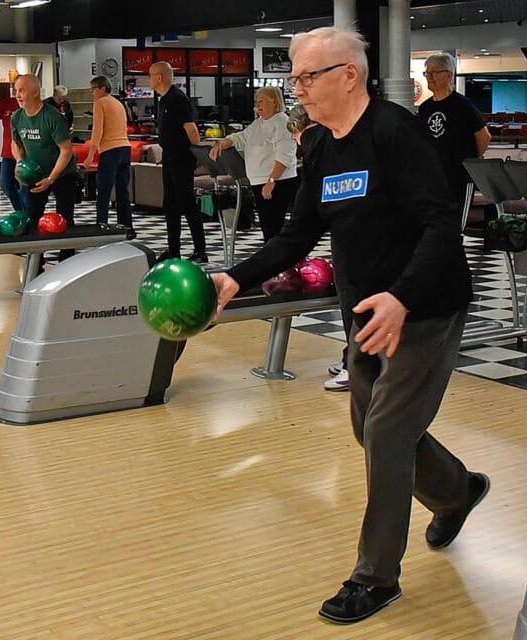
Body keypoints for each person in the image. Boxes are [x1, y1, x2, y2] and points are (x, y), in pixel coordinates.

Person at [210, 26, 489, 625]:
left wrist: (403, 298)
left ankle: (375, 576)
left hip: (424, 307)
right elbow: (298, 233)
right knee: (370, 427)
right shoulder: (320, 146)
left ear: (349, 75)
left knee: (387, 431)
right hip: (363, 309)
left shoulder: (394, 132)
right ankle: (456, 491)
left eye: (308, 77)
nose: (298, 89)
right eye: (294, 78)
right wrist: (235, 277)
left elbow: (441, 224)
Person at [289, 103, 351, 393]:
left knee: (355, 303)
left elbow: (302, 226)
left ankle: (356, 366)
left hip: (361, 243)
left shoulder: (318, 144)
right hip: (349, 237)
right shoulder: (330, 143)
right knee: (352, 303)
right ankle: (353, 359)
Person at [209, 86, 299, 243]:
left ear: (274, 101)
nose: (258, 105)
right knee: (267, 226)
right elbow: (241, 137)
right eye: (257, 101)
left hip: (278, 182)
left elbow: (285, 156)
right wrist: (223, 143)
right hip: (259, 181)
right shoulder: (259, 123)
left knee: (273, 227)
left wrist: (271, 181)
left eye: (262, 101)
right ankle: (270, 255)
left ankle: (276, 257)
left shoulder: (282, 122)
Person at [11, 74, 80, 258]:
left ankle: (67, 261)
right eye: (16, 90)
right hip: (35, 173)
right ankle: (36, 263)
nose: (17, 95)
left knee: (64, 218)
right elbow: (16, 143)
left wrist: (51, 179)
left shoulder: (52, 117)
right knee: (33, 218)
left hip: (63, 173)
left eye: (22, 90)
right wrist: (19, 162)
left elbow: (66, 150)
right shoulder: (17, 117)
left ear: (35, 93)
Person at [148, 61, 207, 263]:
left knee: (187, 203)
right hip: (169, 157)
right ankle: (174, 249)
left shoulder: (178, 98)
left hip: (182, 158)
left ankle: (201, 251)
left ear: (159, 77)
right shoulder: (163, 100)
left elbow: (191, 129)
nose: (149, 80)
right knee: (170, 205)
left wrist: (197, 155)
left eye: (150, 75)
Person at [417, 52, 491, 213]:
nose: (430, 77)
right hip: (434, 177)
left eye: (434, 72)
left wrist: (469, 160)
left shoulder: (463, 105)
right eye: (427, 73)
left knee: (456, 220)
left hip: (459, 178)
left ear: (449, 75)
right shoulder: (425, 108)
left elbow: (484, 136)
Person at [84, 75, 133, 233]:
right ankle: (126, 225)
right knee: (123, 191)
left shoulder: (100, 103)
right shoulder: (118, 103)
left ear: (102, 88)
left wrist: (91, 155)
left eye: (93, 89)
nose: (92, 93)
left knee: (104, 190)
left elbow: (97, 131)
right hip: (125, 148)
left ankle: (101, 224)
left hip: (110, 150)